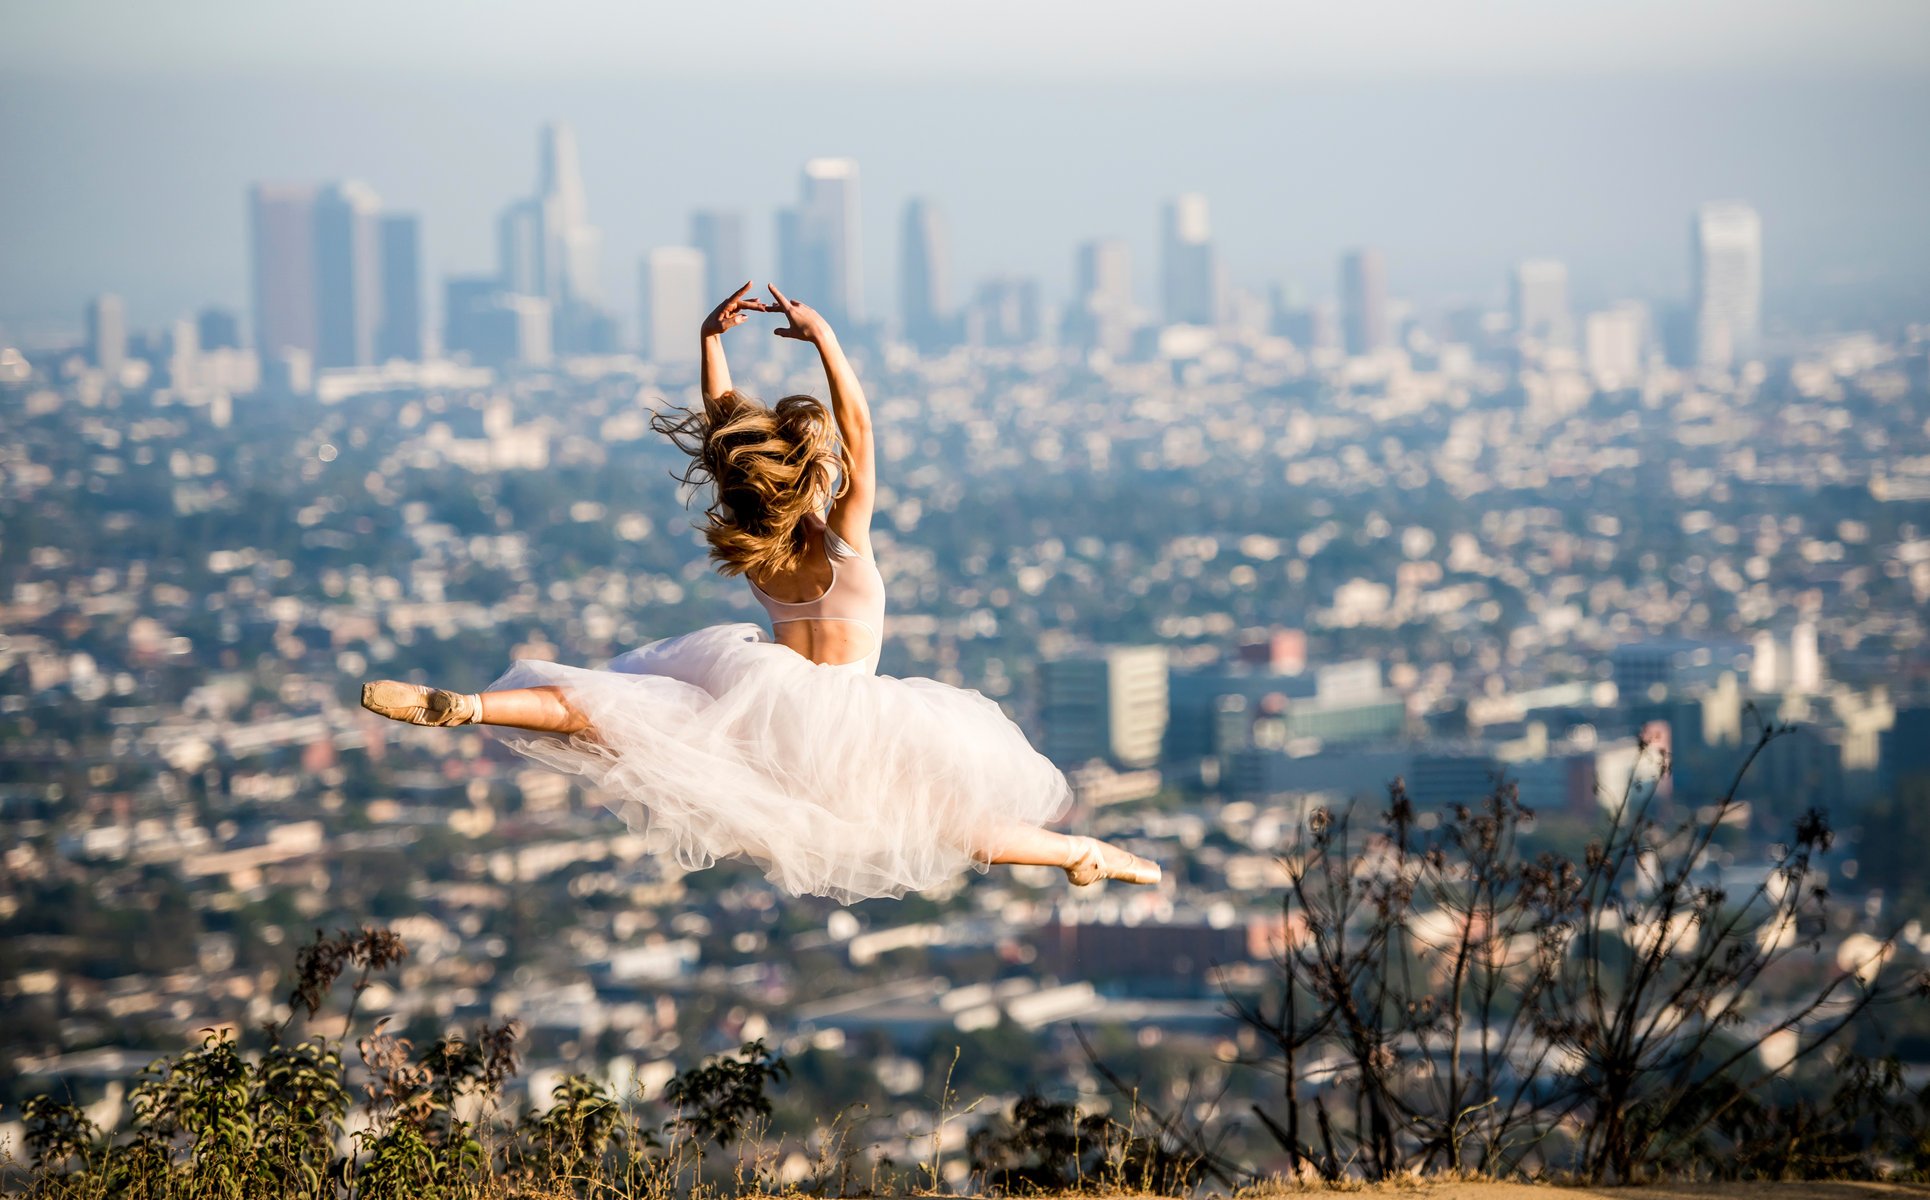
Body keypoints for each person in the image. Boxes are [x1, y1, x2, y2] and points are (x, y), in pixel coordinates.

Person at [361, 283, 1159, 902]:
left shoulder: (758, 553)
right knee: (948, 826)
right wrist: (827, 341)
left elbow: (722, 439)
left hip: (764, 705)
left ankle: (468, 705)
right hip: (850, 721)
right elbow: (862, 430)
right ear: (807, 479)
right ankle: (1081, 853)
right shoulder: (840, 545)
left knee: (600, 711)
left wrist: (710, 342)